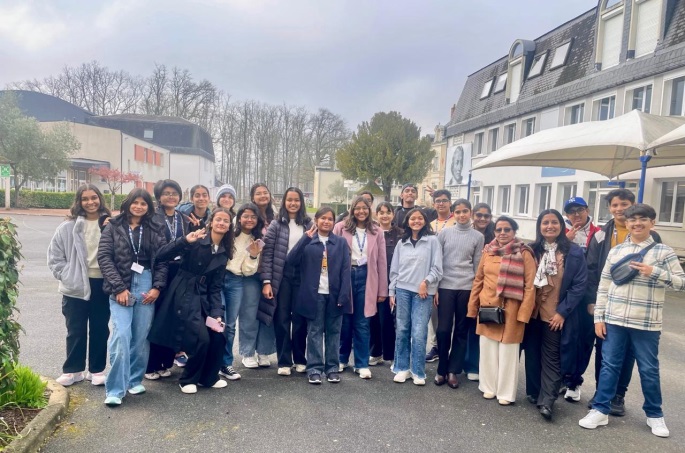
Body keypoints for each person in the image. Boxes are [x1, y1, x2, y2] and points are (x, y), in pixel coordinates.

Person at [579, 204, 685, 437]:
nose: (637, 223)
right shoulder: (616, 252)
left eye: (643, 219)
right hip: (614, 320)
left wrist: (654, 272)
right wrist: (599, 318)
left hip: (646, 323)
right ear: (626, 223)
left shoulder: (664, 252)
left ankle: (655, 415)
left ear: (652, 223)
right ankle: (601, 410)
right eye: (633, 220)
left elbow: (681, 282)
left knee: (649, 369)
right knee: (609, 365)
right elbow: (604, 286)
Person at [579, 189, 661, 414]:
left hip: (637, 303)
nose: (619, 209)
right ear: (609, 208)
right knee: (604, 348)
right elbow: (591, 270)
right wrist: (592, 300)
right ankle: (601, 392)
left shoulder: (651, 236)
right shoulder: (601, 235)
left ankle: (618, 395)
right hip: (609, 300)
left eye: (624, 204)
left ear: (633, 204)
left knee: (629, 352)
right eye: (614, 205)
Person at [149, 208, 234, 394]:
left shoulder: (223, 252)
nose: (221, 223)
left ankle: (208, 377)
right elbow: (161, 255)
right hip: (184, 293)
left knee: (219, 335)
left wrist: (217, 313)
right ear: (211, 222)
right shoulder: (196, 240)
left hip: (204, 297)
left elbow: (215, 287)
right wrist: (184, 240)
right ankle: (188, 379)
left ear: (229, 226)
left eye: (225, 221)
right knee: (200, 338)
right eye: (218, 219)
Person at [97, 188, 168, 406]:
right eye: (135, 202)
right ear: (128, 203)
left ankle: (134, 379)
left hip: (146, 280)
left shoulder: (155, 228)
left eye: (143, 203)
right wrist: (118, 288)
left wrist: (157, 287)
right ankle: (115, 389)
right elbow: (104, 257)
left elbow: (162, 260)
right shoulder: (113, 226)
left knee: (141, 335)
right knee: (121, 334)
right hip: (121, 283)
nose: (138, 206)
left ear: (149, 207)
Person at [523, 209, 587, 420]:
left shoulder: (573, 252)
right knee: (532, 354)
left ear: (561, 225)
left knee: (551, 357)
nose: (549, 226)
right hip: (532, 313)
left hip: (555, 315)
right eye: (545, 223)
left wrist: (562, 312)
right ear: (539, 226)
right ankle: (534, 392)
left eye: (554, 222)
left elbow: (579, 285)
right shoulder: (532, 250)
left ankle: (547, 400)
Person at [467, 216, 536, 405]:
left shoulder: (524, 253)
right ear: (494, 232)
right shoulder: (488, 251)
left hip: (512, 309)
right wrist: (472, 307)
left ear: (514, 232)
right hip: (488, 306)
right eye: (499, 230)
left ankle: (505, 393)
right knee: (487, 350)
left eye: (507, 229)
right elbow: (479, 280)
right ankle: (488, 387)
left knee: (508, 353)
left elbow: (530, 286)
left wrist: (524, 314)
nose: (503, 233)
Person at [48, 184, 112, 387]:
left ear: (100, 199)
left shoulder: (110, 224)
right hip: (75, 285)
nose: (90, 202)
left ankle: (97, 370)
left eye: (94, 197)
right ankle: (73, 370)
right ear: (79, 201)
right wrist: (66, 275)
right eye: (85, 199)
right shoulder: (68, 227)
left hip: (102, 284)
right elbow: (55, 256)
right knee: (75, 329)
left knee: (100, 328)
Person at [288, 207, 352, 384]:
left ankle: (332, 368)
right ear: (316, 220)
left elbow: (346, 270)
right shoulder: (308, 240)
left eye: (330, 219)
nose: (326, 221)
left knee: (334, 332)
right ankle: (314, 368)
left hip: (335, 294)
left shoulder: (340, 242)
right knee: (314, 332)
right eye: (323, 218)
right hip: (313, 295)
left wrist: (344, 294)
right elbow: (291, 260)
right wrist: (305, 239)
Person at [258, 187, 313, 376]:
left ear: (301, 202)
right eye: (289, 200)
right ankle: (284, 361)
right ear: (284, 202)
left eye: (296, 200)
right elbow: (267, 254)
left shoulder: (308, 224)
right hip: (281, 276)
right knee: (281, 319)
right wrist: (266, 281)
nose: (293, 203)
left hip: (302, 276)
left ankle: (300, 359)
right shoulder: (276, 224)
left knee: (299, 320)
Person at [333, 196, 387, 379]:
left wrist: (382, 290)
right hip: (345, 275)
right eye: (357, 208)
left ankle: (361, 363)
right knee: (345, 321)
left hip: (367, 276)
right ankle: (341, 359)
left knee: (362, 322)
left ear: (369, 210)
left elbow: (381, 261)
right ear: (352, 209)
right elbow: (332, 254)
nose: (361, 211)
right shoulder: (341, 227)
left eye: (364, 208)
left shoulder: (377, 231)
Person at [220, 203, 275, 378]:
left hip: (237, 279)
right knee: (217, 320)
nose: (249, 219)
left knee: (230, 324)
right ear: (239, 218)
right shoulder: (229, 234)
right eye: (245, 216)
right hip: (219, 279)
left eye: (253, 217)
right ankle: (212, 360)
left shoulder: (257, 240)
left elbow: (248, 270)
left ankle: (226, 363)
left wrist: (253, 255)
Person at [389, 208, 442, 386]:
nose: (416, 221)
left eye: (420, 218)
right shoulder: (402, 242)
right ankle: (402, 368)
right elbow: (394, 270)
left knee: (419, 332)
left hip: (423, 292)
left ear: (425, 221)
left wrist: (426, 282)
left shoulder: (432, 241)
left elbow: (437, 268)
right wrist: (392, 291)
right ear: (407, 221)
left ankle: (418, 371)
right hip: (402, 290)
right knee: (402, 330)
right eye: (413, 218)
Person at [434, 199, 483, 389]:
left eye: (465, 211)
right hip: (446, 286)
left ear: (470, 213)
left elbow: (477, 266)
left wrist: (476, 293)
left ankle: (453, 370)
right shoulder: (444, 233)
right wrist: (435, 288)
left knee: (461, 330)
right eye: (458, 212)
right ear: (453, 214)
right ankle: (441, 368)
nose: (462, 215)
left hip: (467, 288)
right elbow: (437, 262)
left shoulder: (478, 237)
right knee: (443, 329)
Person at [145, 179, 189, 381]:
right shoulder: (152, 218)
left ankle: (166, 362)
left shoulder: (183, 218)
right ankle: (150, 365)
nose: (171, 197)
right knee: (157, 318)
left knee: (172, 317)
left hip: (179, 273)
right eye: (166, 193)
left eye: (174, 193)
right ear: (158, 197)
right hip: (160, 272)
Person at [426, 190, 457, 362]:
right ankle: (436, 346)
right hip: (433, 273)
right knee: (435, 313)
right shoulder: (430, 225)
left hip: (452, 273)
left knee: (453, 316)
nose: (441, 203)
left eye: (444, 200)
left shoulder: (457, 221)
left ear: (450, 202)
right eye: (438, 201)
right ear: (433, 204)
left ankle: (452, 349)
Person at [369, 202, 401, 365]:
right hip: (375, 280)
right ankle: (376, 352)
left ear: (393, 214)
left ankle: (391, 354)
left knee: (389, 320)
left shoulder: (401, 234)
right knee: (374, 319)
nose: (385, 215)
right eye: (381, 212)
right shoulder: (371, 232)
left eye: (388, 212)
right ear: (376, 215)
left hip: (395, 281)